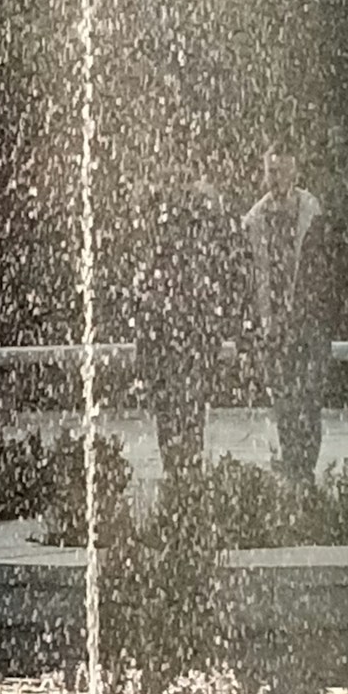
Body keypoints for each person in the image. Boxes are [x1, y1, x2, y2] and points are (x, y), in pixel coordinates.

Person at [132, 182, 241, 478]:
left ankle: (184, 486)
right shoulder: (166, 271)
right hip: (171, 368)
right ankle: (181, 486)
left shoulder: (192, 270)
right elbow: (146, 321)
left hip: (184, 367)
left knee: (187, 430)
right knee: (175, 430)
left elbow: (208, 321)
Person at [242, 148, 336, 485]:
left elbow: (328, 273)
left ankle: (304, 469)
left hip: (309, 324)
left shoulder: (314, 215)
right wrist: (257, 323)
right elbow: (250, 278)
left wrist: (321, 317)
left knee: (309, 400)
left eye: (281, 170)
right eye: (270, 170)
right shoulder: (255, 220)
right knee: (283, 401)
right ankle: (293, 466)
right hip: (276, 326)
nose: (275, 177)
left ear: (294, 173)